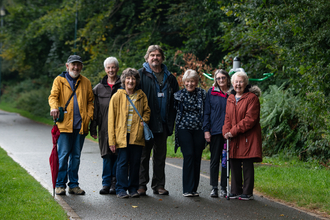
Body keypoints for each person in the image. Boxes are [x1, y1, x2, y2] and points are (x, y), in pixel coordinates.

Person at [49, 55, 94, 195]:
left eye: (78, 65)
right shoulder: (59, 80)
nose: (76, 67)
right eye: (73, 65)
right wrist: (54, 107)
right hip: (64, 125)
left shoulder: (86, 82)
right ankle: (60, 185)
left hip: (80, 127)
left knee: (76, 157)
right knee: (63, 156)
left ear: (81, 67)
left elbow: (90, 102)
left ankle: (73, 185)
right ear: (67, 66)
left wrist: (89, 116)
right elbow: (53, 96)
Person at [137, 45, 179, 196]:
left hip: (163, 123)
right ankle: (141, 185)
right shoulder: (140, 75)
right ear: (147, 58)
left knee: (160, 157)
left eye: (158, 55)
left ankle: (159, 185)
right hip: (145, 123)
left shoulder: (170, 78)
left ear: (162, 58)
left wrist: (171, 122)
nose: (155, 58)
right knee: (143, 156)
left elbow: (176, 101)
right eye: (152, 55)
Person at [108, 68, 151, 199]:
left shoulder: (141, 95)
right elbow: (111, 119)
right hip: (122, 135)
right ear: (124, 80)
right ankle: (121, 188)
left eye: (133, 78)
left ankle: (133, 188)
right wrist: (112, 140)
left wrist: (144, 120)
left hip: (136, 134)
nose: (130, 81)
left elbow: (147, 111)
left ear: (136, 81)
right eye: (128, 78)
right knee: (122, 162)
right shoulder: (117, 96)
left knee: (135, 162)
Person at [222, 71, 262, 201]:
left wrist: (232, 131)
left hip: (247, 137)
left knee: (247, 164)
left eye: (241, 81)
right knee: (234, 162)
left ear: (245, 83)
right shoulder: (230, 98)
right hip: (234, 136)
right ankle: (235, 190)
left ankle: (247, 192)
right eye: (236, 82)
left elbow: (250, 120)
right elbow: (227, 117)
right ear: (232, 83)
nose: (238, 84)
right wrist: (226, 131)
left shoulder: (252, 98)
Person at [90, 57, 121, 195]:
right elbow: (94, 110)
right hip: (103, 127)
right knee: (106, 155)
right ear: (105, 69)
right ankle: (106, 183)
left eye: (113, 67)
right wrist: (93, 126)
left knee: (117, 155)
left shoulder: (123, 85)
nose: (111, 70)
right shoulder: (98, 88)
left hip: (119, 127)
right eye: (108, 67)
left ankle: (115, 183)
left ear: (117, 69)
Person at [174, 69, 206, 197]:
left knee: (197, 157)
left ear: (196, 82)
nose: (190, 84)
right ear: (183, 82)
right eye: (187, 81)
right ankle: (187, 189)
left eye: (192, 81)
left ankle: (194, 188)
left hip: (199, 129)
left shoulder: (202, 94)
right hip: (184, 128)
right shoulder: (178, 95)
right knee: (189, 155)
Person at [203, 69, 231, 198]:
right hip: (214, 131)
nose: (221, 80)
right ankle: (214, 187)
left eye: (223, 78)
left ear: (227, 78)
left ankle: (224, 188)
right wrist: (206, 130)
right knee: (214, 160)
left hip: (228, 133)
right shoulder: (211, 92)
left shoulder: (233, 93)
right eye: (218, 78)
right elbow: (206, 112)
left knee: (225, 160)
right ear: (215, 79)